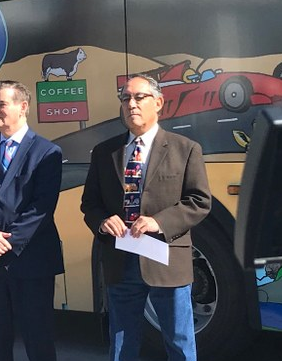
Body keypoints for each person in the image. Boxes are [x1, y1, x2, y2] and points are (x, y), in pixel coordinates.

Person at [81, 74, 212, 361]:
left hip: (165, 259)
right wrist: (103, 221)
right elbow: (90, 203)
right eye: (125, 98)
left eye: (139, 97)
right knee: (121, 345)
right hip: (120, 261)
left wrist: (159, 222)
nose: (131, 104)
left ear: (159, 103)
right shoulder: (106, 153)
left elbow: (199, 202)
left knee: (179, 343)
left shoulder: (185, 149)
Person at [0, 80, 64, 361]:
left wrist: (6, 243)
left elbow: (42, 208)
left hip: (30, 264)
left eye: (1, 104)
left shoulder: (47, 152)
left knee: (39, 343)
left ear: (23, 107)